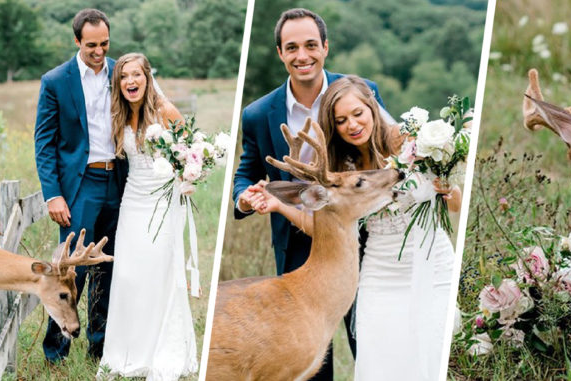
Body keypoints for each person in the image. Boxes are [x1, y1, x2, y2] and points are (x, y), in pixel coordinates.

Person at [248, 76, 462, 381]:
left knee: (430, 356)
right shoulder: (340, 172)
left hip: (430, 262)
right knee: (379, 362)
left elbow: (455, 205)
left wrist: (446, 188)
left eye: (358, 114)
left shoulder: (415, 145)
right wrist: (279, 205)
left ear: (372, 107)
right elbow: (318, 226)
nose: (352, 125)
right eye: (341, 120)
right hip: (379, 272)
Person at [232, 8, 384, 380]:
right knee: (308, 359)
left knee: (371, 341)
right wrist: (245, 197)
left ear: (326, 47)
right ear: (280, 53)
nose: (303, 56)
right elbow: (245, 174)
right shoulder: (256, 114)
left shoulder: (358, 92)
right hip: (298, 249)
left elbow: (385, 150)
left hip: (361, 240)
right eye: (293, 47)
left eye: (311, 45)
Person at [96, 53, 198, 379]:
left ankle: (156, 351)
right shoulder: (119, 115)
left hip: (162, 203)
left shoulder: (165, 111)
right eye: (124, 76)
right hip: (132, 201)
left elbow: (193, 151)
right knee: (127, 276)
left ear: (147, 77)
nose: (130, 81)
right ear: (119, 83)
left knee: (156, 275)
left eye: (136, 74)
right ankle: (124, 350)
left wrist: (187, 179)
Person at [34, 8, 126, 362]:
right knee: (72, 273)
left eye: (104, 44)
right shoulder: (56, 81)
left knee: (109, 268)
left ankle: (98, 351)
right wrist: (53, 194)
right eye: (91, 45)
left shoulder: (121, 71)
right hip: (80, 185)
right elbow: (44, 142)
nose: (99, 51)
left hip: (117, 180)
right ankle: (55, 354)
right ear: (77, 41)